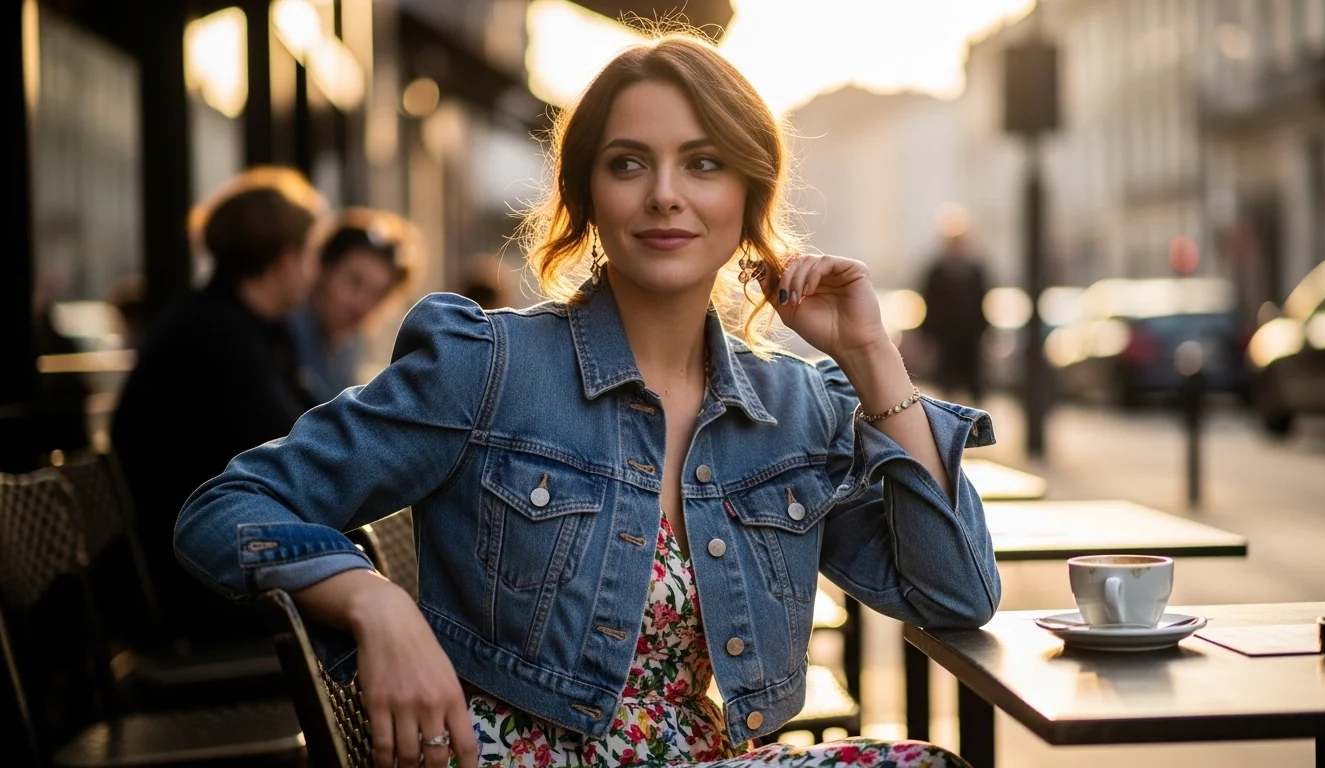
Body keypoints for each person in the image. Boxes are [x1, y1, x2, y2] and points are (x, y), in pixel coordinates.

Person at [174, 34, 998, 768]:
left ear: (749, 196)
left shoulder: (791, 408)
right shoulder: (488, 366)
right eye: (629, 162)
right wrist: (370, 599)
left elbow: (954, 595)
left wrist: (869, 356)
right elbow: (223, 509)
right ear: (588, 195)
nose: (665, 194)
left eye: (704, 163)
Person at [113, 166, 326, 643]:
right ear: (287, 259)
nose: (313, 273)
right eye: (311, 255)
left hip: (212, 557)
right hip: (196, 581)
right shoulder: (218, 338)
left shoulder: (248, 329)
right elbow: (296, 453)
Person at [289, 208, 421, 404]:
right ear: (324, 268)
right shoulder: (283, 335)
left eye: (378, 295)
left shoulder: (351, 349)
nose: (362, 305)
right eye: (354, 282)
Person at [919, 209, 989, 403]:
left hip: (970, 339)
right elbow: (928, 303)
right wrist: (928, 335)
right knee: (947, 387)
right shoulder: (936, 272)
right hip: (946, 339)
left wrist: (984, 331)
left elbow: (983, 303)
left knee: (973, 386)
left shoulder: (975, 270)